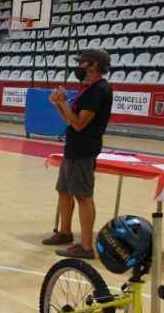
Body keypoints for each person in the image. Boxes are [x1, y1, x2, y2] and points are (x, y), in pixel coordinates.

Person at [43, 49, 114, 259]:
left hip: (84, 149)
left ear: (93, 65)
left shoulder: (99, 90)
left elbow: (80, 124)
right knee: (64, 191)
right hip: (73, 147)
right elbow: (70, 119)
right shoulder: (88, 88)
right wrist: (58, 103)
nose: (78, 67)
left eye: (82, 63)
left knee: (83, 196)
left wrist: (63, 102)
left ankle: (85, 246)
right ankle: (65, 233)